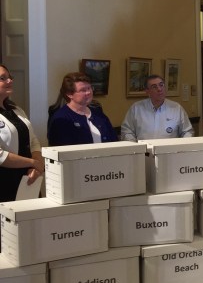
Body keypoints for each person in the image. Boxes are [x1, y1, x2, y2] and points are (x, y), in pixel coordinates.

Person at [0, 64, 44, 201]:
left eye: (10, 77)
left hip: (29, 178)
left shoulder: (16, 109)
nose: (10, 81)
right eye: (3, 78)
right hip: (4, 183)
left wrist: (36, 165)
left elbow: (33, 141)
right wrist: (32, 162)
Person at [48, 72, 117, 146]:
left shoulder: (97, 112)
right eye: (83, 90)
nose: (88, 92)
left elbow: (114, 139)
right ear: (69, 94)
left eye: (89, 88)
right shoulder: (61, 118)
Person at [121, 74, 193, 141]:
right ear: (147, 91)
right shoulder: (136, 108)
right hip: (144, 152)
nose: (159, 89)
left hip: (170, 152)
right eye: (154, 87)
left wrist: (180, 148)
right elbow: (127, 131)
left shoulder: (176, 108)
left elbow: (187, 132)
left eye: (161, 85)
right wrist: (136, 148)